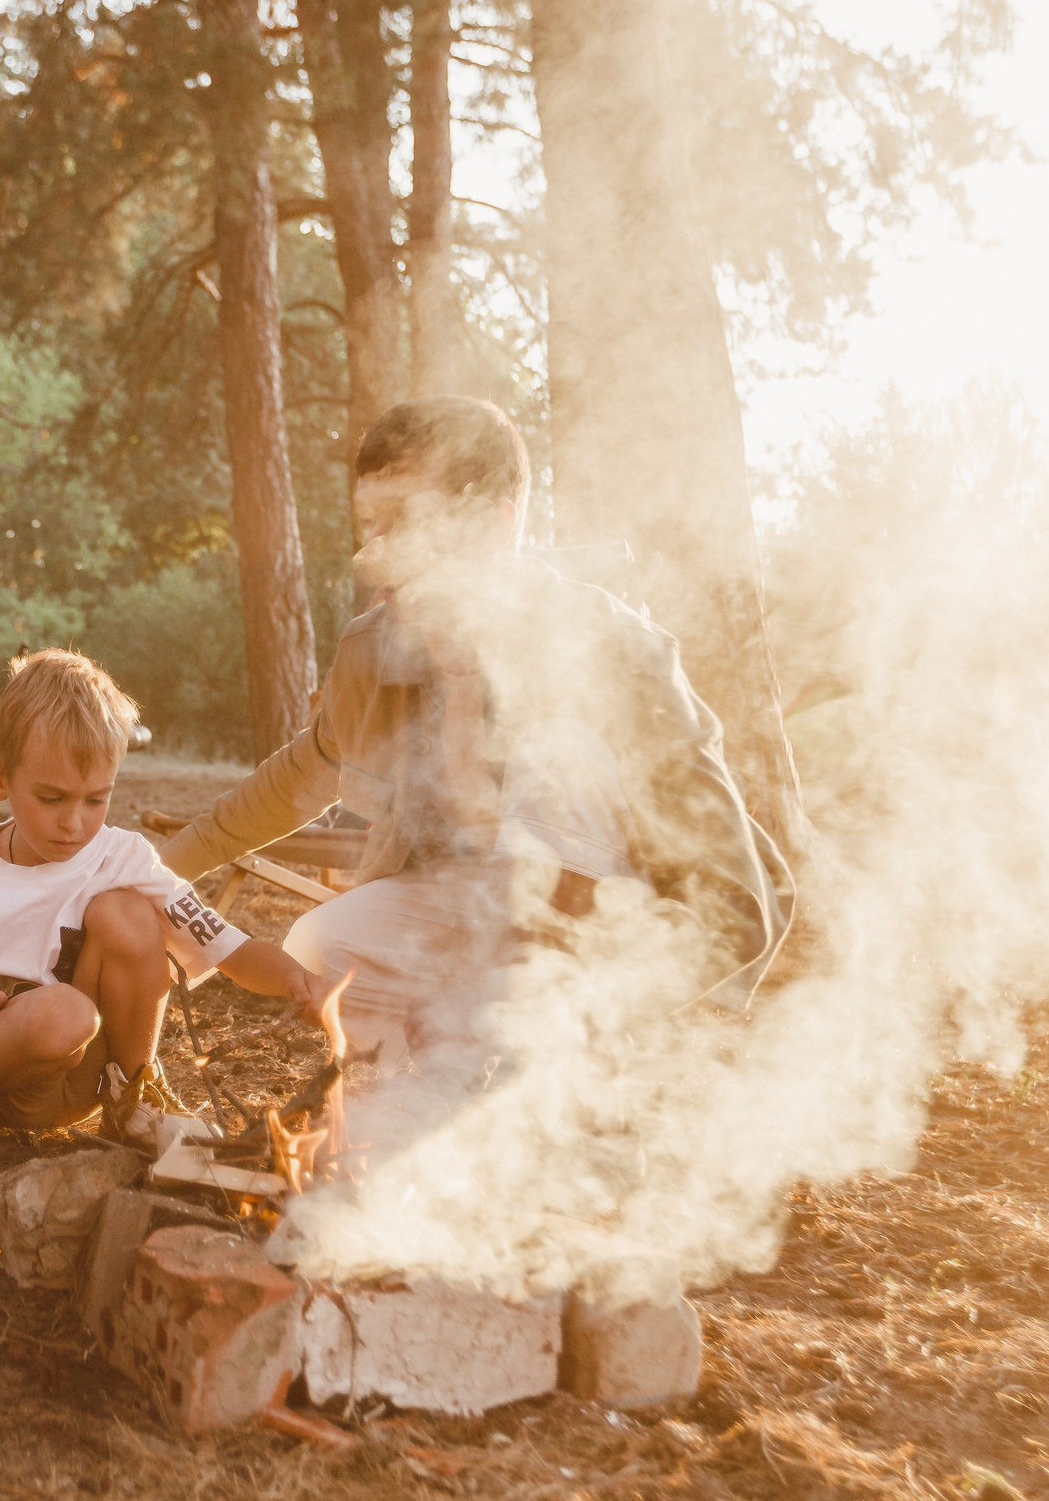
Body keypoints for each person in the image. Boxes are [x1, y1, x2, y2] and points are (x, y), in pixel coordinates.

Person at [157, 396, 791, 1068]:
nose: (373, 554)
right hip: (454, 920)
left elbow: (737, 899)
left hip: (591, 945)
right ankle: (439, 1086)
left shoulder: (612, 650)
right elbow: (298, 778)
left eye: (402, 523)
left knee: (558, 753)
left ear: (494, 523)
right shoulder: (375, 649)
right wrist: (152, 872)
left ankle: (562, 1067)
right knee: (321, 940)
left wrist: (615, 1001)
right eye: (370, 525)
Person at [0, 649, 339, 1147]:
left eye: (96, 799)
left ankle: (134, 1096)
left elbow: (228, 946)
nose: (74, 823)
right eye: (52, 799)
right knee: (66, 1011)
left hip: (84, 1079)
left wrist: (297, 980)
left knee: (127, 912)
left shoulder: (124, 858)